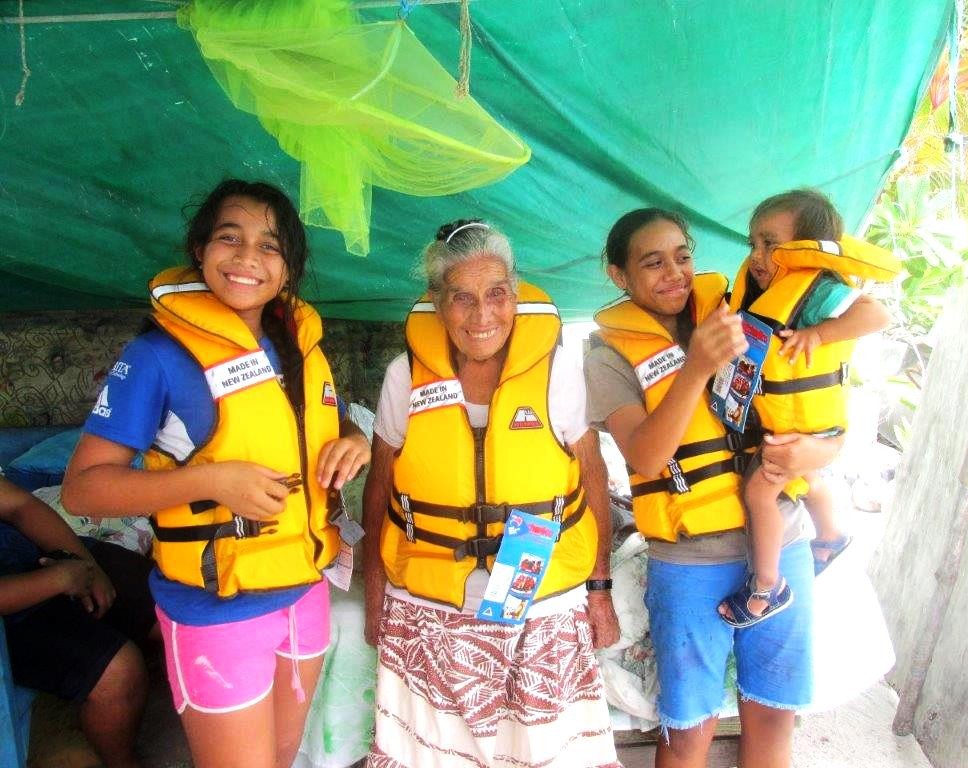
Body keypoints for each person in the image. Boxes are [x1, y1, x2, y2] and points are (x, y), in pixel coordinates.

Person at [62, 179, 370, 768]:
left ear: (289, 269)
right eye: (230, 238)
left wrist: (352, 442)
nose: (248, 257)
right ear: (200, 250)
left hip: (304, 591)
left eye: (270, 245)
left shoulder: (300, 346)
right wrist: (211, 481)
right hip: (214, 607)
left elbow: (322, 426)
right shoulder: (155, 357)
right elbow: (82, 489)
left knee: (281, 757)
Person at [585, 208, 842, 768]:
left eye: (683, 256)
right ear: (619, 276)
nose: (674, 273)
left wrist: (815, 452)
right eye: (652, 263)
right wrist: (697, 366)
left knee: (775, 712)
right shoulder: (608, 355)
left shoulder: (739, 312)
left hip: (782, 542)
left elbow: (815, 414)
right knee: (689, 729)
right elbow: (647, 455)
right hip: (692, 560)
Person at [361, 219, 621, 768]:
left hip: (544, 597)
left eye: (497, 294)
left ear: (516, 294)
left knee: (546, 752)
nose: (482, 315)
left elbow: (592, 475)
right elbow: (381, 481)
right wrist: (375, 586)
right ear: (437, 303)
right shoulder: (403, 378)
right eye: (462, 298)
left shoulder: (556, 373)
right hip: (429, 603)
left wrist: (600, 587)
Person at [720, 189, 893, 626]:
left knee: (760, 492)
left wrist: (819, 334)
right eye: (754, 243)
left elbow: (876, 315)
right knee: (807, 477)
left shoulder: (816, 292)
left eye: (771, 244)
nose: (758, 255)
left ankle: (767, 586)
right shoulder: (759, 289)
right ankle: (831, 536)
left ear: (807, 251)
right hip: (796, 426)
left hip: (803, 428)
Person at [0, 476, 156, 768]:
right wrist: (57, 580)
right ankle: (121, 761)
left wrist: (83, 563)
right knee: (118, 673)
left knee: (170, 605)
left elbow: (19, 505)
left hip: (35, 556)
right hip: (12, 612)